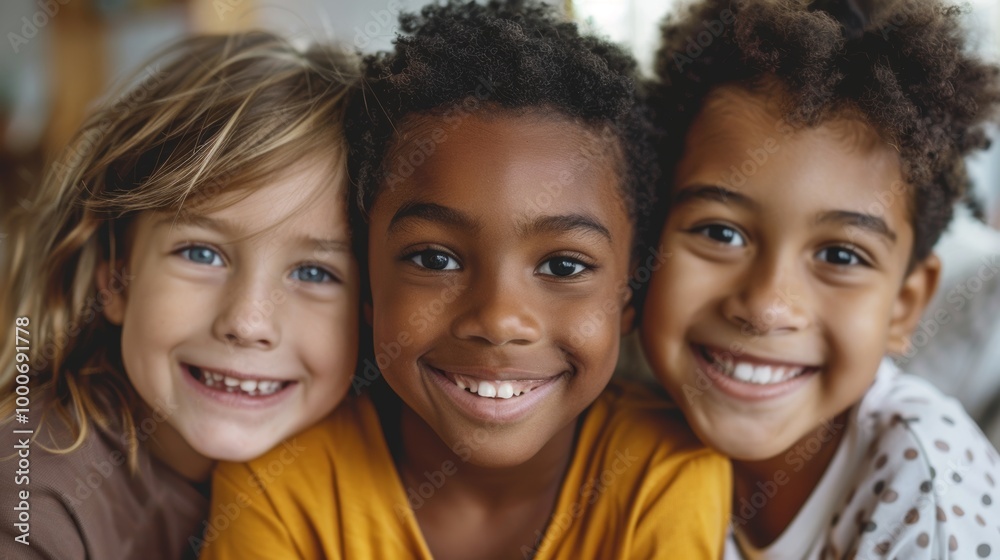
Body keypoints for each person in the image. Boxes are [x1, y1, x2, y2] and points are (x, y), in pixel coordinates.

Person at [200, 2, 731, 558]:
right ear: (368, 282)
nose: (499, 319)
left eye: (564, 266)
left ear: (629, 294)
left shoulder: (667, 476)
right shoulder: (280, 489)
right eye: (434, 260)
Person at [640, 0, 1000, 558]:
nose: (765, 307)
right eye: (721, 233)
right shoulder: (616, 421)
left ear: (904, 305)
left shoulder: (927, 489)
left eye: (840, 254)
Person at [0, 32, 360, 560]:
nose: (247, 321)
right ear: (115, 274)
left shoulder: (364, 471)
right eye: (202, 254)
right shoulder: (32, 498)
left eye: (314, 272)